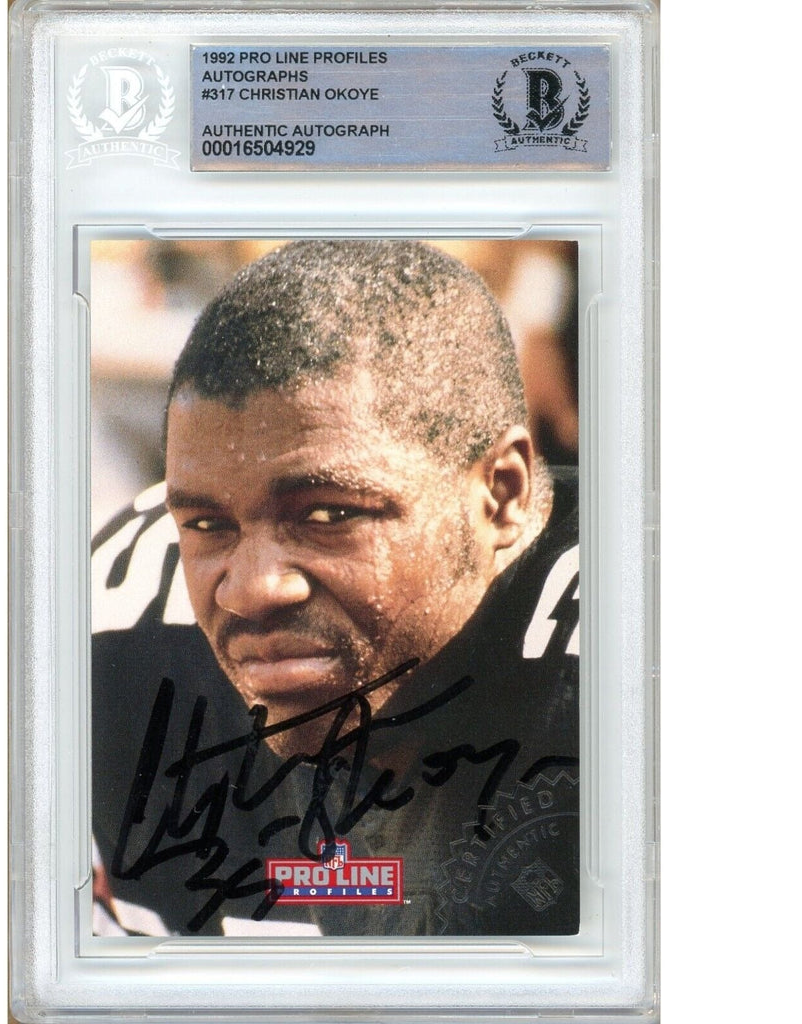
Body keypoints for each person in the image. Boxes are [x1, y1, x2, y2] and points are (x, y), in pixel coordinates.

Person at [91, 240, 579, 938]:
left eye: (328, 516)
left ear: (500, 494)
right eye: (206, 524)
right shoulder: (112, 634)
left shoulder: (623, 650)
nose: (252, 589)